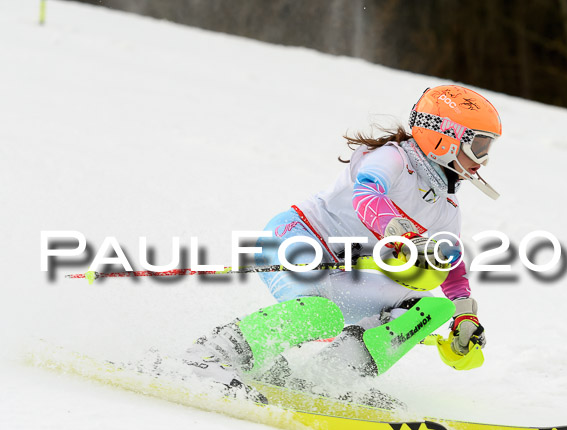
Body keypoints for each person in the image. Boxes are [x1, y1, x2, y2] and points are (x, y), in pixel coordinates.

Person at [184, 85, 502, 403]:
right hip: (295, 241)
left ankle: (326, 378)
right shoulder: (393, 158)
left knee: (430, 307)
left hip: (346, 272)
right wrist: (403, 234)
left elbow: (450, 265)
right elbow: (367, 194)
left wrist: (465, 316)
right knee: (321, 316)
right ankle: (210, 355)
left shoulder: (446, 206)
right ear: (444, 138)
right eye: (478, 145)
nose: (483, 160)